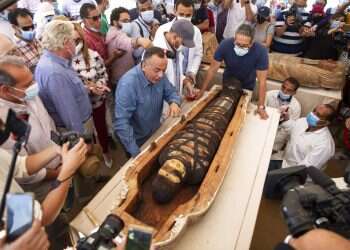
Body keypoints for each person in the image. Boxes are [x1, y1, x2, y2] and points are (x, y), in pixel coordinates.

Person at [0, 110, 88, 226]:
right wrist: (68, 171)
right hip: (27, 237)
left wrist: (56, 149)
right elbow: (40, 218)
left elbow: (21, 165)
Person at [0, 56, 61, 200]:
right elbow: (22, 170)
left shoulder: (26, 95)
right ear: (6, 90)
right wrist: (57, 173)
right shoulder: (3, 123)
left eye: (32, 80)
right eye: (28, 84)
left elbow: (47, 123)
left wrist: (60, 152)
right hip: (42, 183)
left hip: (59, 160)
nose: (34, 85)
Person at [114, 47, 181, 157]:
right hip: (137, 141)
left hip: (155, 132)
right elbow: (122, 123)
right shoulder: (128, 85)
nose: (161, 75)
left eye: (163, 71)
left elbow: (171, 91)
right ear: (144, 65)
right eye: (157, 70)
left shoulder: (160, 76)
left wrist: (174, 102)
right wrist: (136, 152)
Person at [198, 24, 269, 120]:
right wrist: (202, 90)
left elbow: (262, 81)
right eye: (238, 44)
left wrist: (261, 106)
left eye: (244, 46)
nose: (240, 47)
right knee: (224, 110)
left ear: (252, 43)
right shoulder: (225, 44)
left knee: (240, 114)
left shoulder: (261, 51)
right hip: (227, 82)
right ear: (234, 39)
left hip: (247, 86)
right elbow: (212, 69)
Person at [35, 20, 93, 135]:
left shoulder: (57, 62)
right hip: (79, 128)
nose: (75, 44)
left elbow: (69, 93)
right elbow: (70, 115)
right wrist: (82, 141)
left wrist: (88, 89)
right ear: (66, 43)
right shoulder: (55, 73)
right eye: (73, 40)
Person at [71, 23, 113, 167]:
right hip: (80, 108)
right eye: (72, 41)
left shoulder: (94, 56)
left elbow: (103, 73)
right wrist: (88, 89)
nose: (75, 45)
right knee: (86, 136)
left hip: (98, 101)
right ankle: (93, 161)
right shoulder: (65, 62)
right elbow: (71, 87)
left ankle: (106, 153)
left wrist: (100, 85)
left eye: (77, 41)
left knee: (101, 128)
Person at [154, 0, 203, 92]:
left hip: (183, 78)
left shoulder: (195, 31)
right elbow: (159, 63)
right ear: (175, 11)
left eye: (188, 15)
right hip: (166, 82)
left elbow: (197, 54)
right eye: (181, 14)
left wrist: (191, 72)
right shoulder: (162, 30)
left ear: (193, 14)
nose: (184, 18)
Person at [270, 104, 335, 171]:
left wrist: (279, 173)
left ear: (326, 123)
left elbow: (305, 168)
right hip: (284, 160)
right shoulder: (304, 121)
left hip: (294, 173)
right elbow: (294, 128)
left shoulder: (325, 145)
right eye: (314, 110)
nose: (312, 114)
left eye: (318, 115)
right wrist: (286, 120)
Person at [106, 7, 152, 84]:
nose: (127, 23)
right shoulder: (116, 36)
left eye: (128, 20)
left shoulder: (117, 32)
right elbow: (129, 42)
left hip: (123, 77)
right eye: (124, 21)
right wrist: (140, 41)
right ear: (114, 22)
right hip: (121, 80)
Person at [153, 19, 196, 97]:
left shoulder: (175, 47)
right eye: (183, 43)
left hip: (174, 102)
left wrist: (185, 81)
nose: (183, 46)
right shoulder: (155, 54)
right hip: (163, 104)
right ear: (174, 36)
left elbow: (175, 72)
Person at [266, 77, 301, 154]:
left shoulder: (296, 107)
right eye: (283, 87)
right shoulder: (269, 95)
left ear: (294, 93)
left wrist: (286, 119)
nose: (284, 91)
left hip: (278, 136)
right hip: (264, 126)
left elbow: (290, 129)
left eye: (289, 90)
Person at [8, 8, 42, 72]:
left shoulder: (36, 39)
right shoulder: (14, 51)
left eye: (32, 26)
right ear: (14, 27)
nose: (31, 31)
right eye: (26, 28)